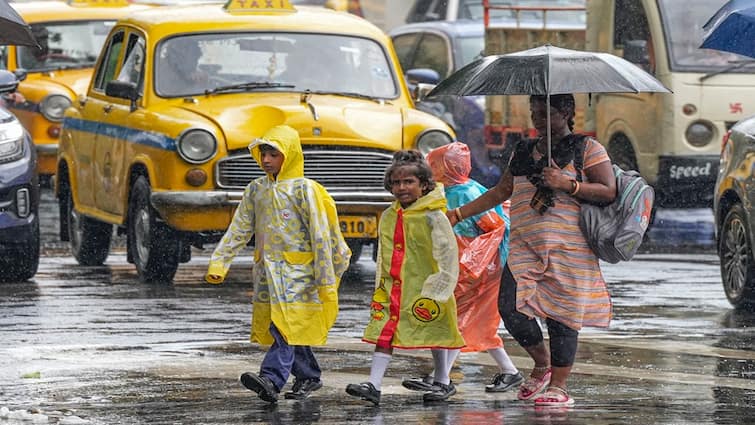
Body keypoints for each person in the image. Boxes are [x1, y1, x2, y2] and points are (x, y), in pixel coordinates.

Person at [446, 94, 616, 407]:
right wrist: (459, 214)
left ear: (566, 113)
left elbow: (608, 190)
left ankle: (559, 387)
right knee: (510, 308)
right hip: (525, 245)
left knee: (561, 316)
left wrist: (568, 185)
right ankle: (542, 363)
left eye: (545, 114)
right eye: (533, 113)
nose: (537, 120)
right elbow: (501, 191)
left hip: (570, 249)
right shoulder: (524, 149)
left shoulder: (587, 148)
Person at [205, 124, 351, 404]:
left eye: (274, 154)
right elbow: (240, 228)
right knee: (288, 326)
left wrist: (325, 278)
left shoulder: (306, 191)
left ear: (290, 154)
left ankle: (271, 379)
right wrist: (219, 262)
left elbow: (322, 235)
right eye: (263, 154)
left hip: (301, 274)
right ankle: (308, 375)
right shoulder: (256, 190)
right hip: (268, 275)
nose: (267, 160)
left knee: (285, 327)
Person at [344, 150, 464, 406]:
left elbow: (447, 256)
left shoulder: (434, 216)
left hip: (428, 289)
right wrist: (381, 287)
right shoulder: (389, 215)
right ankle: (373, 384)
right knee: (384, 332)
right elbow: (385, 256)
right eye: (396, 183)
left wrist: (439, 288)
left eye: (408, 182)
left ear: (423, 184)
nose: (402, 188)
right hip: (394, 289)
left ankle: (442, 380)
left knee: (436, 330)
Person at [401, 142, 523, 394]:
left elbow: (495, 226)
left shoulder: (467, 194)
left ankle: (441, 379)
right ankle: (508, 371)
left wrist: (475, 259)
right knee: (473, 321)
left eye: (433, 165)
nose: (430, 170)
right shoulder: (445, 192)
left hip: (479, 269)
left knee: (458, 321)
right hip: (462, 267)